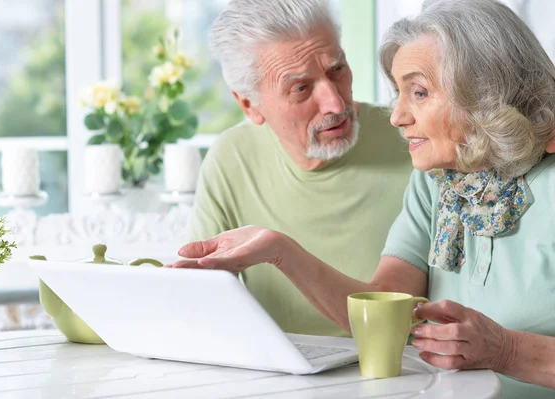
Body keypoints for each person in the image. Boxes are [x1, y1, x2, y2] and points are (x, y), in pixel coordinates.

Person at [171, 0, 555, 396]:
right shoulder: (437, 181)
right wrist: (280, 250)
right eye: (399, 92)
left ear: (482, 89)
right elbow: (385, 309)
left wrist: (506, 350)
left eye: (419, 92)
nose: (397, 117)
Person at [187, 0, 413, 338]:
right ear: (250, 105)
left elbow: (405, 319)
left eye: (337, 70)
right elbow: (199, 298)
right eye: (301, 88)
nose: (336, 103)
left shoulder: (413, 142)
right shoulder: (231, 157)